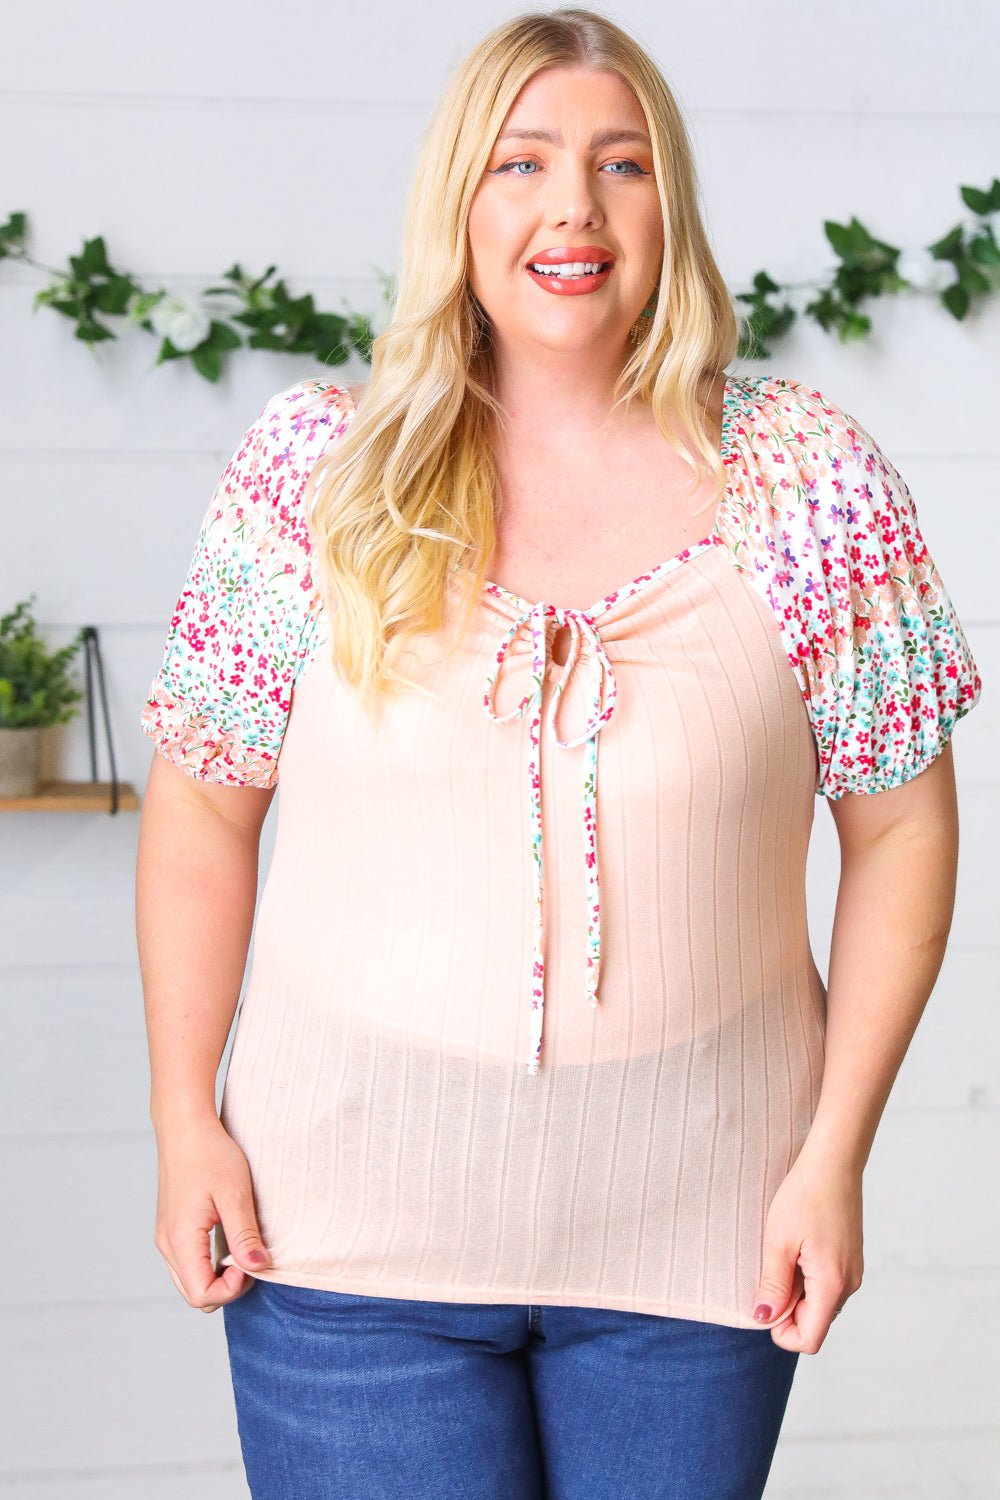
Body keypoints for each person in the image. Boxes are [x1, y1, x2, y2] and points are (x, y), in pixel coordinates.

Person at [135, 9, 981, 1498]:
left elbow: (903, 830)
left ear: (672, 205)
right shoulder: (318, 471)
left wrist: (835, 1154)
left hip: (708, 1245)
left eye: (621, 164)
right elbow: (204, 806)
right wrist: (182, 1116)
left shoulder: (809, 478)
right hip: (337, 1243)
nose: (573, 208)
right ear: (457, 201)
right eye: (520, 163)